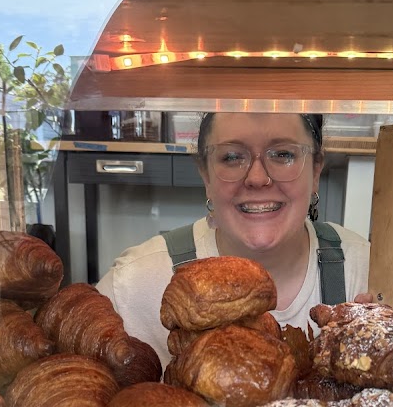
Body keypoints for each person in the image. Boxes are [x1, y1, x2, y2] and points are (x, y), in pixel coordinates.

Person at [96, 111, 371, 367]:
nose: (257, 178)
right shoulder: (130, 290)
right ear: (205, 174)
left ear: (315, 171)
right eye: (231, 157)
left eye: (283, 154)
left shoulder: (367, 270)